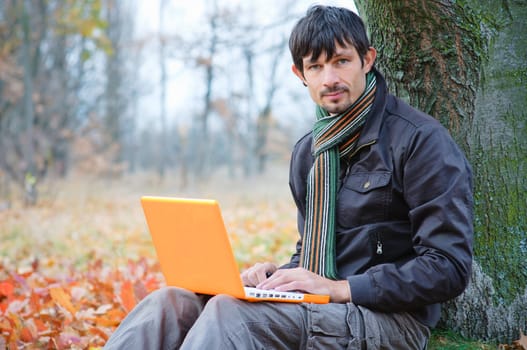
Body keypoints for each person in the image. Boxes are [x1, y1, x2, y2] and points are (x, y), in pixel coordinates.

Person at [104, 5, 473, 349]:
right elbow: (314, 250)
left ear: (367, 60)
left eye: (341, 61)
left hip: (390, 319)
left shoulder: (419, 141)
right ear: (300, 74)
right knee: (169, 301)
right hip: (319, 303)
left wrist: (341, 288)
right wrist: (275, 277)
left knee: (231, 312)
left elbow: (448, 268)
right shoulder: (309, 153)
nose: (330, 79)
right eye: (316, 67)